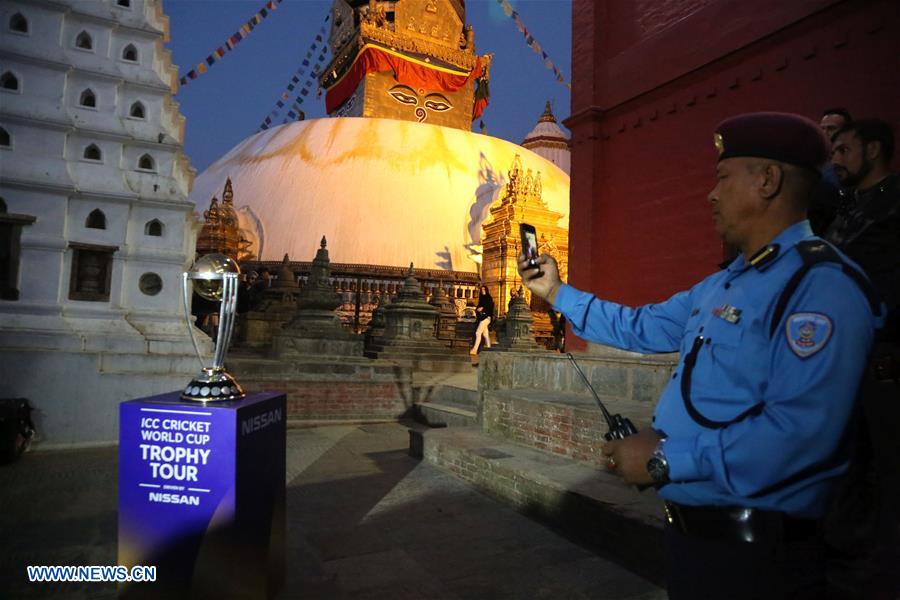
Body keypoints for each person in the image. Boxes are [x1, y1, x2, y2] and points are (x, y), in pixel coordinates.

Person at [518, 112, 883, 599]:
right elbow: (642, 325)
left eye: (723, 178)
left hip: (761, 559)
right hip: (695, 544)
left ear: (767, 181)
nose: (711, 194)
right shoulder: (722, 284)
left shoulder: (819, 284)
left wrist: (667, 460)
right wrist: (557, 292)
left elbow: (802, 435)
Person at [824, 118, 899, 598]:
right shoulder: (845, 210)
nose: (837, 159)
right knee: (845, 464)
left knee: (887, 469)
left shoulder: (894, 207)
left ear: (873, 150)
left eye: (845, 149)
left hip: (884, 355)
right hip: (842, 357)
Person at [809, 107, 853, 234]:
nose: (824, 133)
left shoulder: (853, 165)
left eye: (831, 128)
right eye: (822, 128)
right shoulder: (814, 162)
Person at [470, 285, 494, 354]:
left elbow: (490, 308)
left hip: (486, 317)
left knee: (478, 333)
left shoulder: (489, 298)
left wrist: (483, 308)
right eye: (482, 290)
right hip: (481, 318)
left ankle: (475, 349)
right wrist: (477, 309)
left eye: (484, 289)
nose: (483, 291)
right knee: (485, 334)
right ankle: (489, 348)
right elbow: (478, 307)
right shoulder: (481, 299)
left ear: (486, 290)